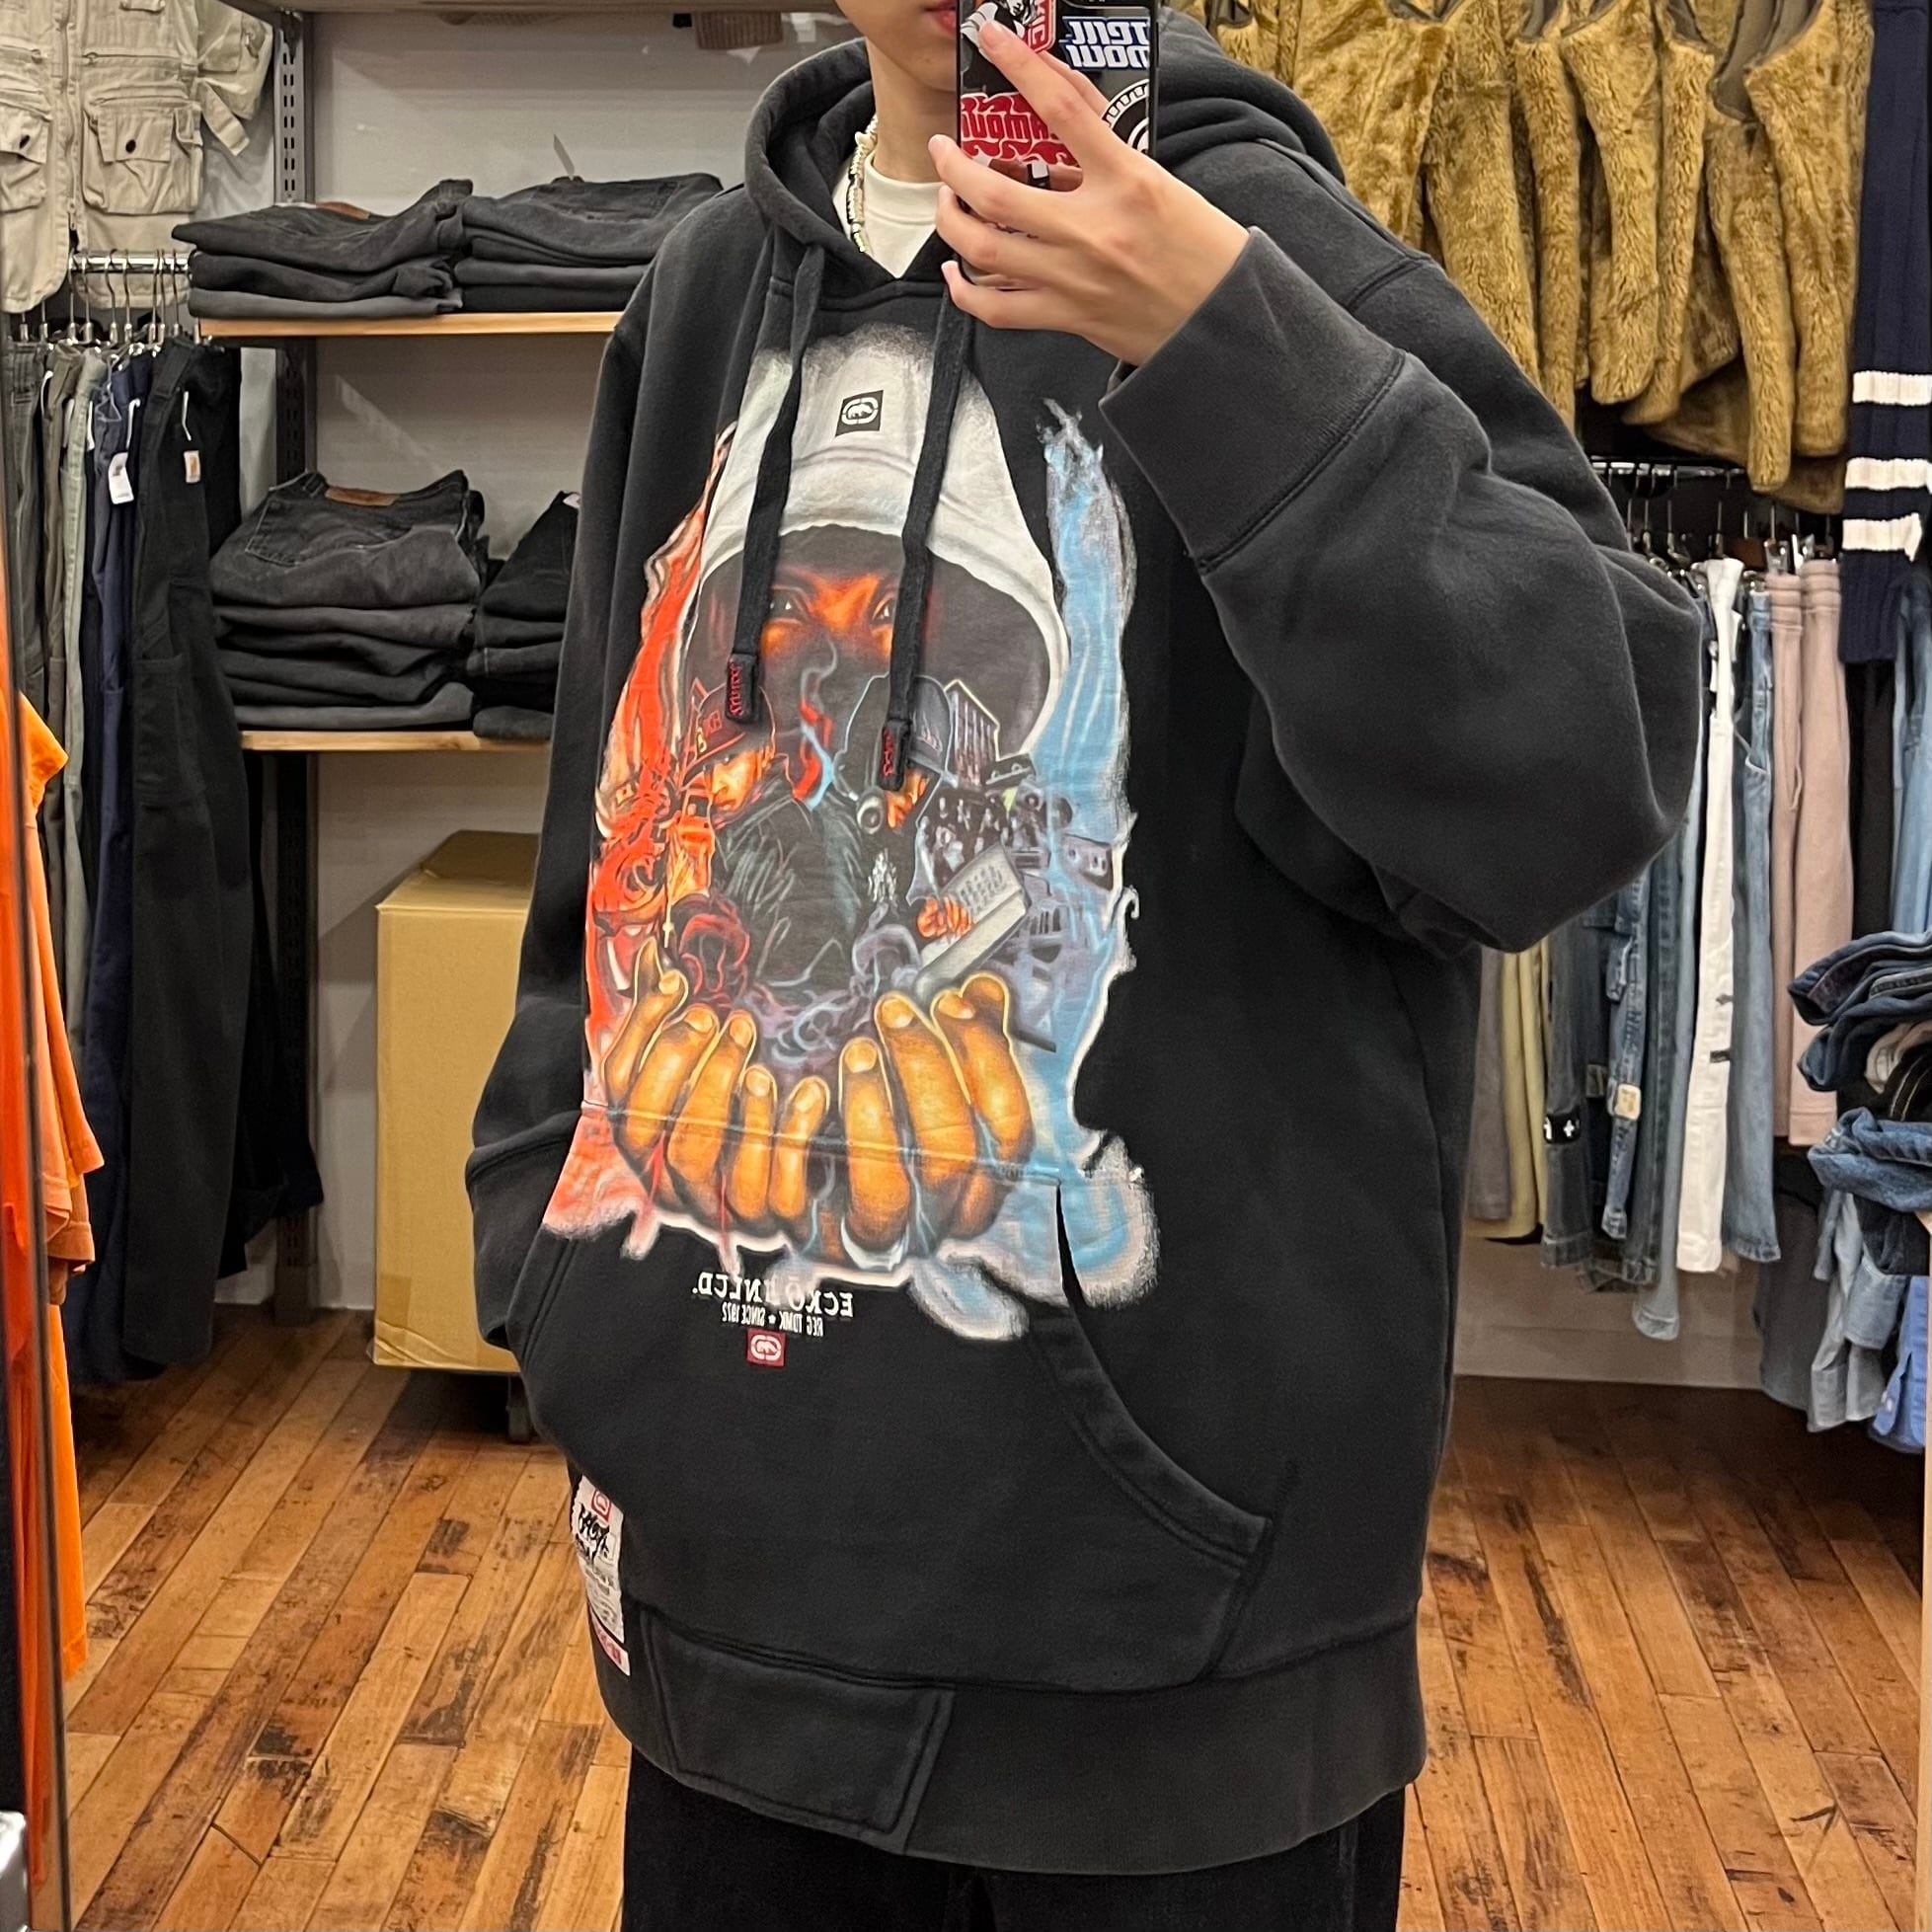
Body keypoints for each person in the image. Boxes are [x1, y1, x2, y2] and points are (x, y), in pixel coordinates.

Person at [469, 6, 1702, 1926]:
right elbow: (601, 841)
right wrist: (556, 1271)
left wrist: (1223, 337)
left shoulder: (1250, 235)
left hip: (1165, 1699)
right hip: (727, 1626)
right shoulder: (708, 291)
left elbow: (1577, 763)